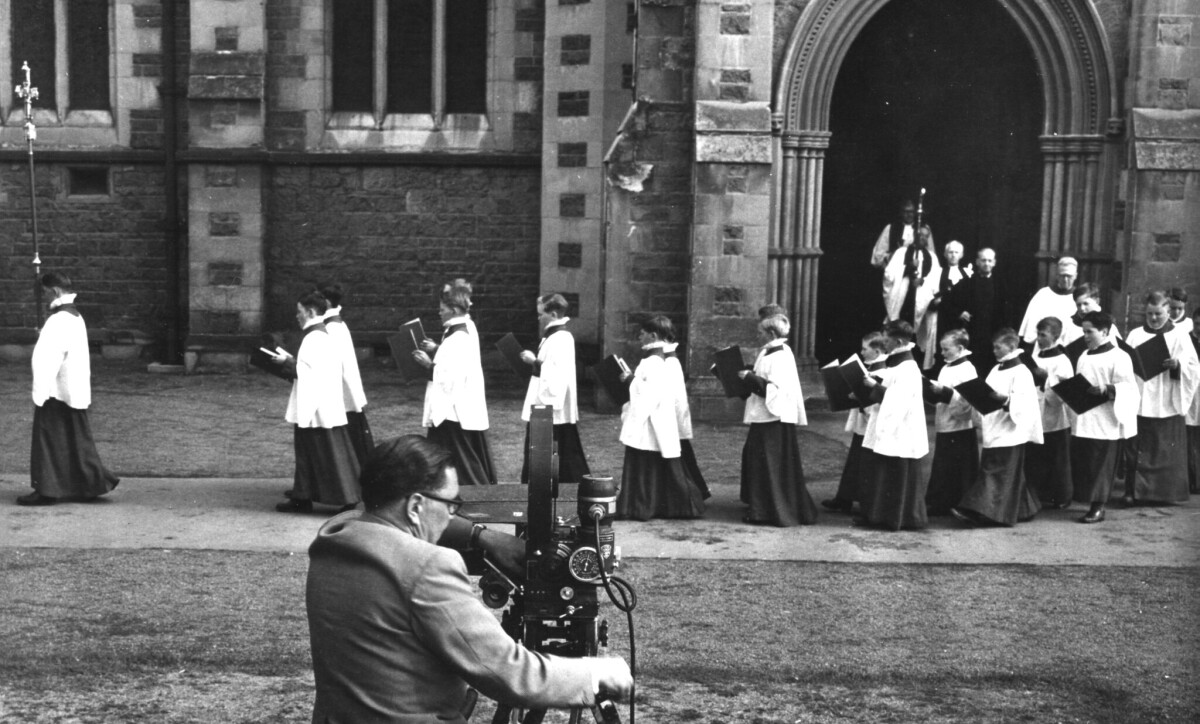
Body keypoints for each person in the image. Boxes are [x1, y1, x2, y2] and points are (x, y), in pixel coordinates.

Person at [306, 435, 633, 723]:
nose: (453, 515)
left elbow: (386, 515)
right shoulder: (427, 567)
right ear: (416, 506)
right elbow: (510, 673)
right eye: (452, 505)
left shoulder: (335, 542)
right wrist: (596, 674)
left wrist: (481, 536)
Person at [18, 273, 120, 506]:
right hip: (71, 389)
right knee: (75, 440)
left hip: (56, 391)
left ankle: (47, 490)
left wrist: (40, 391)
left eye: (44, 292)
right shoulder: (74, 316)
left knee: (49, 439)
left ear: (54, 292)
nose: (43, 297)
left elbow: (47, 358)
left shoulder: (59, 320)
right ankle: (90, 484)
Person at [272, 291, 362, 513]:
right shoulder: (322, 335)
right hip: (321, 404)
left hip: (317, 407)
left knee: (327, 452)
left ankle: (347, 498)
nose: (297, 316)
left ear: (311, 312)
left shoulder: (315, 338)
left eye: (299, 312)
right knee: (312, 452)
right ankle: (303, 496)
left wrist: (286, 362)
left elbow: (307, 372)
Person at [615, 316, 705, 520]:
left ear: (653, 336)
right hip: (653, 418)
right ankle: (644, 505)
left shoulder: (654, 361)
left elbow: (650, 394)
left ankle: (642, 506)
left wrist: (631, 380)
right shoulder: (655, 360)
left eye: (642, 333)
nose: (639, 336)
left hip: (651, 421)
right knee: (652, 464)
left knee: (647, 465)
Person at [951, 328, 1043, 526]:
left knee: (995, 472)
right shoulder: (996, 369)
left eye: (998, 347)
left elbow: (1025, 402)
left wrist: (1006, 400)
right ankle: (1024, 508)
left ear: (1011, 346)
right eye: (993, 347)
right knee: (1008, 472)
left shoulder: (1021, 371)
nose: (994, 351)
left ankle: (979, 511)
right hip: (994, 425)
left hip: (1010, 429)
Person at [736, 314, 817, 526]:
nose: (757, 335)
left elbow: (777, 390)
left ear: (771, 333)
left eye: (761, 332)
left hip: (774, 419)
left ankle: (766, 511)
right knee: (758, 460)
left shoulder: (780, 355)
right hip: (764, 417)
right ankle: (761, 506)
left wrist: (751, 378)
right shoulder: (768, 351)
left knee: (768, 464)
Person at [414, 283, 497, 486]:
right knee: (458, 457)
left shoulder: (458, 337)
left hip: (452, 410)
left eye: (442, 310)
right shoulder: (464, 328)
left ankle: (477, 494)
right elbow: (454, 361)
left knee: (462, 460)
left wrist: (427, 364)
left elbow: (450, 377)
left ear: (453, 310)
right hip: (461, 405)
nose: (439, 313)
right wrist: (438, 348)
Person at [1123, 291, 1200, 505]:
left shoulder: (1179, 335)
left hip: (1167, 395)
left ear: (1168, 311)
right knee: (1137, 447)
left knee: (1165, 448)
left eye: (1158, 313)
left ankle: (1165, 493)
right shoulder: (1136, 334)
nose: (1154, 318)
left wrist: (1178, 365)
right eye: (1149, 314)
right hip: (1141, 393)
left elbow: (1194, 367)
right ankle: (1133, 492)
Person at [858, 320, 929, 530]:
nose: (883, 343)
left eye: (886, 339)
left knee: (896, 471)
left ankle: (898, 517)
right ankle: (879, 515)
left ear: (898, 341)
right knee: (884, 470)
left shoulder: (908, 367)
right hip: (892, 423)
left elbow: (899, 400)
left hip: (902, 428)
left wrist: (875, 387)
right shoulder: (896, 363)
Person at [1070, 311, 1138, 524]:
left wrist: (1106, 388)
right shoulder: (1083, 355)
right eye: (1083, 332)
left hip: (1106, 419)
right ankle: (1088, 499)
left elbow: (1129, 388)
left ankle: (1098, 506)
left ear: (1105, 331)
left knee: (1102, 463)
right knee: (1087, 461)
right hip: (1085, 417)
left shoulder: (1119, 356)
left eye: (1090, 332)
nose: (1085, 336)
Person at [519, 293, 591, 485]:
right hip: (545, 400)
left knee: (560, 449)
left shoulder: (561, 338)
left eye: (540, 314)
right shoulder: (553, 336)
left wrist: (533, 361)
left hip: (553, 405)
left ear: (552, 314)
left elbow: (556, 374)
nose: (538, 318)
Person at [822, 331, 888, 513]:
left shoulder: (883, 372)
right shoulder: (871, 369)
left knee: (867, 462)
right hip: (863, 422)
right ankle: (844, 498)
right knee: (855, 460)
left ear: (876, 351)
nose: (862, 352)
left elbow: (878, 399)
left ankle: (864, 501)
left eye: (865, 349)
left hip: (872, 422)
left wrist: (859, 396)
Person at [923, 329, 979, 516]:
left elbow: (969, 399)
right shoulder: (946, 367)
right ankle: (940, 502)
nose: (942, 353)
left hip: (960, 427)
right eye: (942, 349)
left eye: (946, 349)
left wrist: (946, 392)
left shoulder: (967, 369)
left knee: (959, 467)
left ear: (960, 348)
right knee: (944, 464)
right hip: (945, 422)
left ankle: (960, 503)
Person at [317, 282, 373, 464]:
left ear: (326, 302)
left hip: (342, 393)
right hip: (346, 391)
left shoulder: (332, 328)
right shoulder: (336, 324)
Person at [1025, 317, 1075, 509]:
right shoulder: (1036, 357)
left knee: (1057, 457)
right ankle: (1038, 494)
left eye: (1043, 335)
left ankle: (1060, 496)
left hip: (1054, 413)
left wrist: (1046, 379)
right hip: (1036, 409)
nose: (1038, 338)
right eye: (1037, 334)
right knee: (1037, 456)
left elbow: (1066, 389)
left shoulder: (1062, 360)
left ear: (1056, 335)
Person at [943, 247, 1013, 372]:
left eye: (989, 261)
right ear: (977, 262)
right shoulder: (966, 283)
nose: (986, 264)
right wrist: (960, 313)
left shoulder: (1001, 285)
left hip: (994, 334)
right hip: (973, 334)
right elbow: (947, 303)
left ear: (994, 263)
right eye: (983, 260)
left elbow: (1008, 310)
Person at [662, 333, 711, 500]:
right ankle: (699, 489)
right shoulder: (668, 359)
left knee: (681, 455)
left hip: (673, 415)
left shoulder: (669, 361)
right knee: (683, 453)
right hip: (673, 414)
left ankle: (695, 491)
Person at [882, 225, 940, 365]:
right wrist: (907, 268)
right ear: (914, 235)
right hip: (903, 299)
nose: (923, 238)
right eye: (920, 234)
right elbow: (889, 275)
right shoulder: (901, 253)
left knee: (915, 336)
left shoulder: (931, 256)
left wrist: (923, 281)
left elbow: (936, 279)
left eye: (926, 236)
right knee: (896, 330)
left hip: (920, 303)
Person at [927, 240, 973, 368]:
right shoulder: (937, 273)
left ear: (961, 255)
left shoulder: (968, 273)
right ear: (945, 254)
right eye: (950, 252)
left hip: (962, 320)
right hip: (943, 318)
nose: (953, 255)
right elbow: (929, 297)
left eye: (956, 252)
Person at [1017, 256, 1079, 347]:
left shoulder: (1079, 298)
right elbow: (1030, 330)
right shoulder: (1043, 295)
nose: (1065, 280)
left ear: (1075, 276)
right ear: (1057, 275)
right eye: (1062, 275)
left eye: (1069, 276)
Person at [870, 199, 930, 269]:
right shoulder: (891, 228)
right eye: (906, 211)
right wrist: (892, 255)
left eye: (911, 212)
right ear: (901, 212)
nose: (909, 215)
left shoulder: (923, 228)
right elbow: (878, 256)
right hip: (895, 270)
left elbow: (930, 252)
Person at [1188, 307, 1200, 494]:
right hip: (1192, 393)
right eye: (1198, 324)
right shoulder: (1186, 340)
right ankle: (1193, 481)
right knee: (1190, 438)